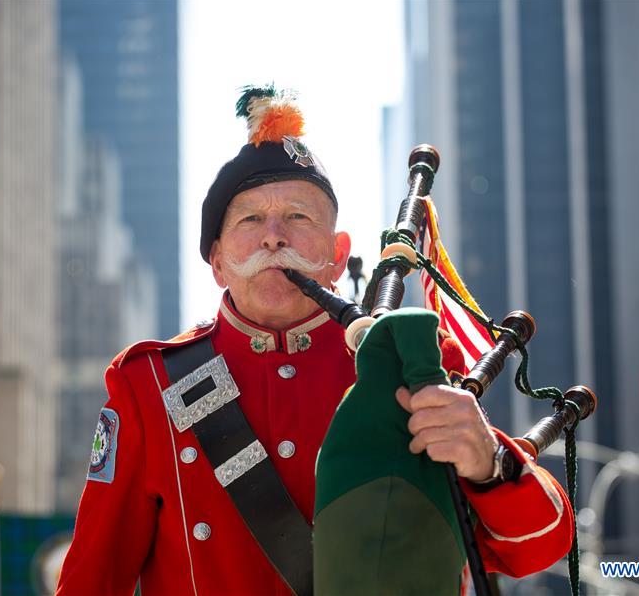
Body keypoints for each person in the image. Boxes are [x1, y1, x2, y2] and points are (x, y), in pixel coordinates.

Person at [57, 86, 573, 596]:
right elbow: (91, 580)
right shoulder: (148, 384)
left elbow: (536, 549)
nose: (274, 236)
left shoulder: (406, 359)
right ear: (216, 262)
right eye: (250, 219)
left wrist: (488, 462)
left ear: (337, 251)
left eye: (299, 217)